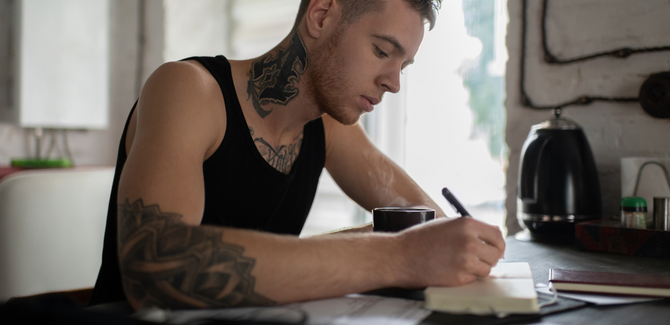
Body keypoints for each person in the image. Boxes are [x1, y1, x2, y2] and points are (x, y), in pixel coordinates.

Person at [90, 0, 505, 310]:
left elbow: (423, 219)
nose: (394, 83)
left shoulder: (327, 128)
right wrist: (400, 255)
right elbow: (156, 263)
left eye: (404, 65)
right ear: (321, 15)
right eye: (382, 51)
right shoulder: (189, 90)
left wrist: (456, 247)